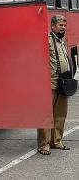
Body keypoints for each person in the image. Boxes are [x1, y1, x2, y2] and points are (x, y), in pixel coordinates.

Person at [37, 15, 71, 155]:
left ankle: (56, 141)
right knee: (46, 114)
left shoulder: (61, 41)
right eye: (60, 25)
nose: (63, 28)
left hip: (63, 82)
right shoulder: (47, 39)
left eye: (64, 25)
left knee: (60, 113)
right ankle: (43, 145)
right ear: (53, 26)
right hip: (50, 82)